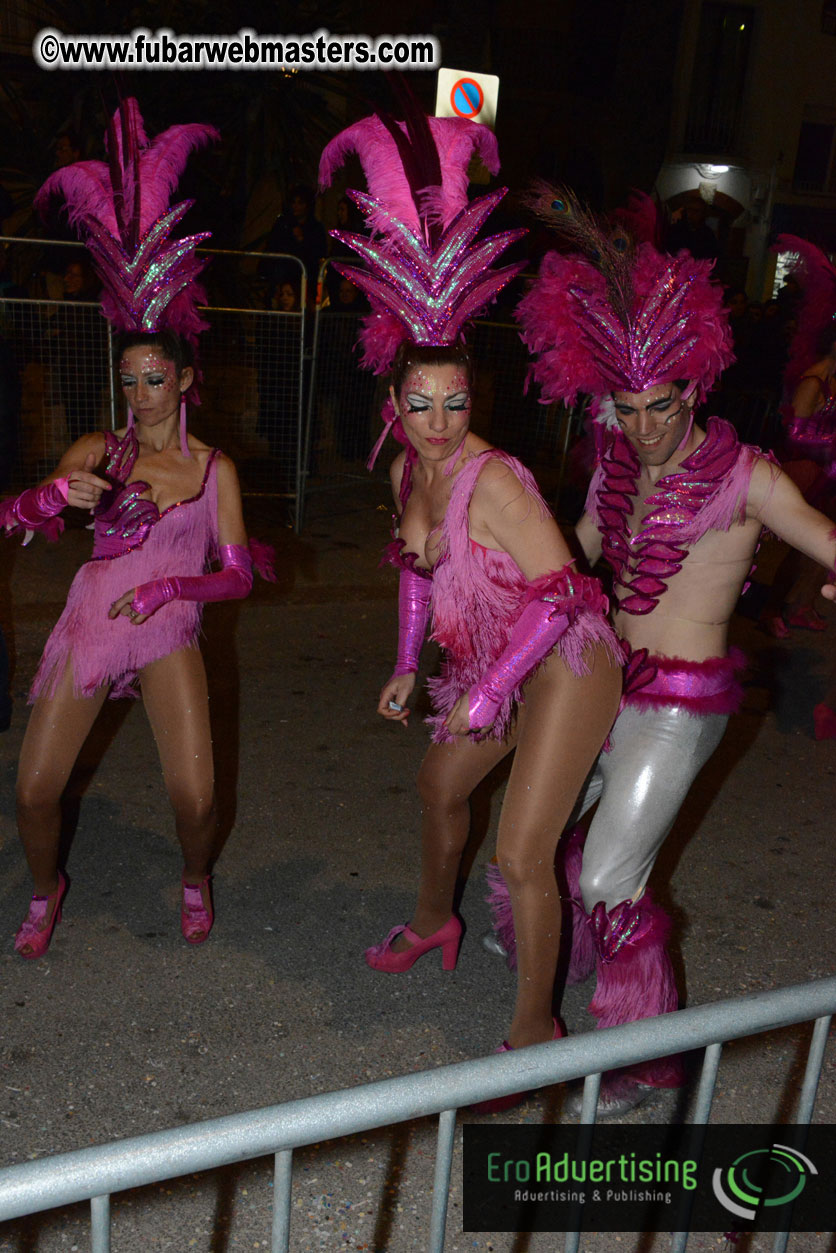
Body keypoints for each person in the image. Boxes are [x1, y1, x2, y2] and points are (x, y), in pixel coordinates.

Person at [479, 190, 836, 1117]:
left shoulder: (750, 476)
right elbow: (576, 554)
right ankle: (562, 956)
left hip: (678, 704)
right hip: (603, 679)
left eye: (661, 407)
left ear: (694, 388)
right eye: (627, 408)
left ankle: (643, 1062)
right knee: (535, 831)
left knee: (610, 876)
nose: (644, 427)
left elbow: (825, 537)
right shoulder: (616, 462)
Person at [319, 106, 623, 1102]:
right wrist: (408, 664)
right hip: (497, 661)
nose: (440, 421)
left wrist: (490, 690)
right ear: (394, 403)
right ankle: (434, 919)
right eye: (421, 403)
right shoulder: (408, 470)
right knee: (437, 786)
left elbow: (564, 593)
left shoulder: (496, 481)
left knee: (522, 853)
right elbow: (415, 569)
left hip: (563, 659)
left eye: (455, 402)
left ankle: (536, 1029)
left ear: (472, 399)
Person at [6, 99, 270, 960]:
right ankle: (46, 888)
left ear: (185, 380)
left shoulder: (214, 469)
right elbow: (13, 515)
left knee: (196, 797)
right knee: (34, 791)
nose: (141, 394)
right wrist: (52, 497)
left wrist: (170, 587)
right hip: (90, 623)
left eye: (155, 379)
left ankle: (195, 875)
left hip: (168, 627)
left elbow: (239, 574)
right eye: (129, 379)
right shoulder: (98, 449)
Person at [760, 237, 836, 640]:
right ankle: (772, 608)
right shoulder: (813, 382)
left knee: (820, 549)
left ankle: (802, 605)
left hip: (829, 475)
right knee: (796, 547)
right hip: (808, 473)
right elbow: (795, 432)